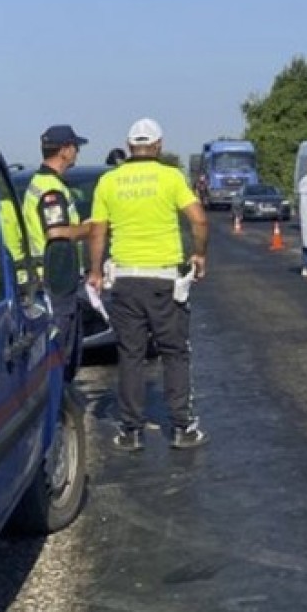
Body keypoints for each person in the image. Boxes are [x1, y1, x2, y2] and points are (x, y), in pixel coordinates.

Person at [87, 118, 210, 451]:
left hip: (125, 280)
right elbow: (198, 219)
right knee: (174, 352)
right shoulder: (171, 177)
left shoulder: (109, 181)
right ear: (158, 146)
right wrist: (198, 254)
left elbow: (98, 230)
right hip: (164, 280)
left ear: (129, 147)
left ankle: (131, 431)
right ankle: (182, 427)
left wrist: (95, 272)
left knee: (131, 354)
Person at [24, 124, 93, 381]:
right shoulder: (51, 190)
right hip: (56, 282)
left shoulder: (40, 183)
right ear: (64, 150)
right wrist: (90, 229)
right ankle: (58, 411)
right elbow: (56, 232)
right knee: (59, 356)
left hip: (49, 280)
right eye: (75, 147)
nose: (77, 152)